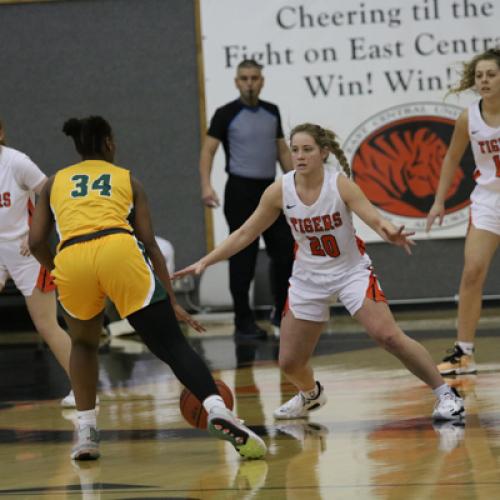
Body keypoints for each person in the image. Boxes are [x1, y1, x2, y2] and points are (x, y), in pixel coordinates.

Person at [175, 123, 465, 422]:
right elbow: (245, 232)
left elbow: (373, 217)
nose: (299, 156)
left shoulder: (339, 185)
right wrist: (205, 262)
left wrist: (389, 231)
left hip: (350, 271)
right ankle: (311, 394)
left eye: (307, 150)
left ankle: (445, 394)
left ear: (323, 152)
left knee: (388, 336)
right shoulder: (280, 189)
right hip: (307, 278)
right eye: (295, 150)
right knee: (289, 363)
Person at [28, 115, 266, 461]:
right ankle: (217, 407)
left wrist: (58, 269)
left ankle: (87, 433)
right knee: (170, 344)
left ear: (78, 147)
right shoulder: (128, 180)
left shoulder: (53, 183)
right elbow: (151, 245)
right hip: (117, 250)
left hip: (73, 257)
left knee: (82, 343)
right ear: (109, 143)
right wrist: (171, 300)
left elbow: (36, 241)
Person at [200, 59, 294, 339]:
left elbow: (283, 152)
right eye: (244, 78)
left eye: (254, 78)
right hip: (240, 190)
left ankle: (282, 314)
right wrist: (206, 185)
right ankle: (244, 322)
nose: (250, 83)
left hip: (270, 189)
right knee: (243, 255)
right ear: (237, 82)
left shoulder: (272, 111)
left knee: (285, 253)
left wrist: (299, 185)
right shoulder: (225, 114)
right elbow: (208, 151)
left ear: (262, 81)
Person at [426, 49, 500, 375]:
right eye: (480, 75)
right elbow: (451, 160)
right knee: (472, 272)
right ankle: (463, 354)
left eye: (491, 74)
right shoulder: (468, 117)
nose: (484, 80)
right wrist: (439, 201)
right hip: (488, 200)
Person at [0, 118, 75, 405]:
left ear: (1, 133)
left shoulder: (18, 162)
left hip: (26, 250)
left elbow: (52, 193)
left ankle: (84, 389)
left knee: (46, 325)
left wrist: (36, 233)